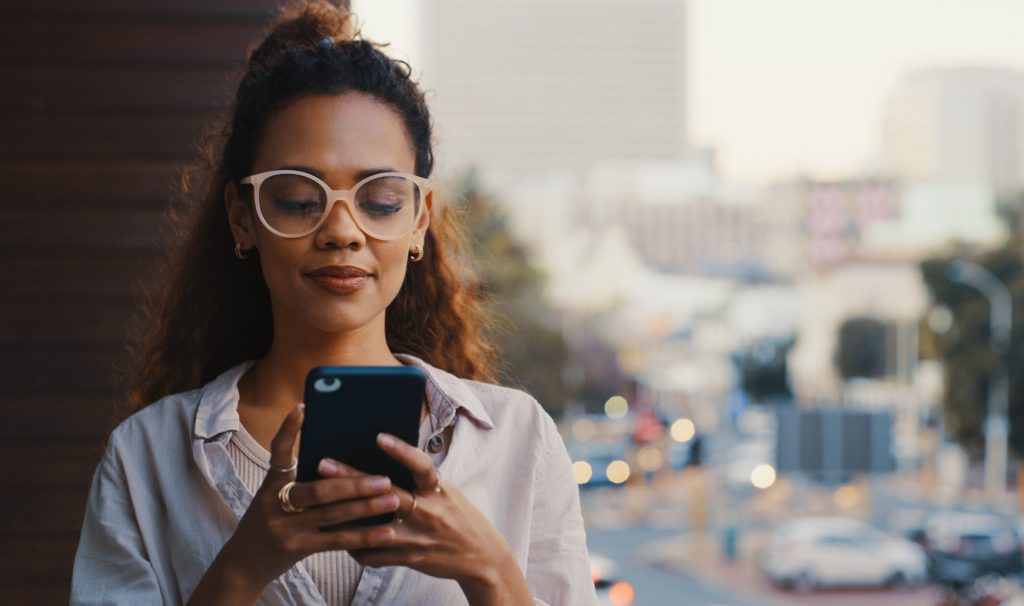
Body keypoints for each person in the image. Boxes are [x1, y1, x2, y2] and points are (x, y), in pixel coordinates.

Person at [69, 2, 597, 604]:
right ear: (244, 219)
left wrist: (491, 572)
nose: (342, 231)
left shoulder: (518, 440)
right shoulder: (146, 458)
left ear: (420, 223)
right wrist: (243, 566)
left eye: (380, 200)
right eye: (298, 199)